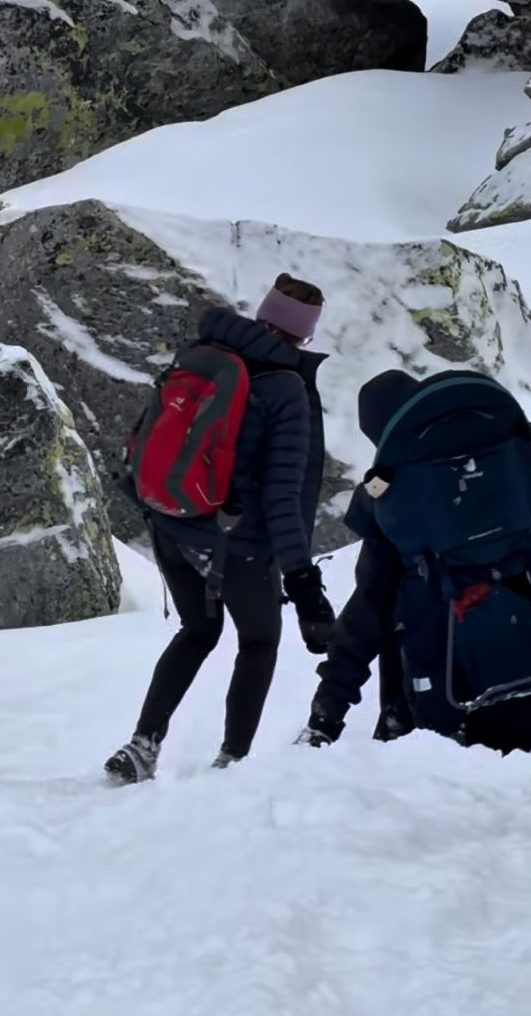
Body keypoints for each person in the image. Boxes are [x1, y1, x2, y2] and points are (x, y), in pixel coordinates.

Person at [301, 369, 531, 754]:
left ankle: (395, 724)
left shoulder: (395, 515)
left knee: (394, 595)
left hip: (458, 726)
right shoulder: (515, 479)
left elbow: (361, 626)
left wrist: (324, 722)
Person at [104, 274, 338, 784]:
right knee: (259, 642)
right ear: (305, 334)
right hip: (235, 543)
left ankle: (142, 745)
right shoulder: (284, 389)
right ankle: (231, 764)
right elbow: (282, 496)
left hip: (170, 523)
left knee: (197, 630)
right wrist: (303, 582)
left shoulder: (201, 355)